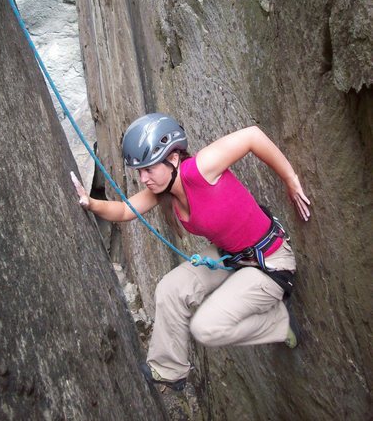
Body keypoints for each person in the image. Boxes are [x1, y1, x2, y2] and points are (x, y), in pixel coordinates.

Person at [71, 113, 310, 391]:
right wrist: (89, 203)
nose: (143, 178)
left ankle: (278, 323)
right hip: (230, 257)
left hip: (270, 262)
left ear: (172, 159)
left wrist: (291, 179)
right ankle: (169, 370)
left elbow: (252, 137)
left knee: (205, 328)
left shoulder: (199, 169)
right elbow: (125, 210)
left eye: (148, 169)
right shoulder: (163, 190)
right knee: (170, 289)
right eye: (139, 171)